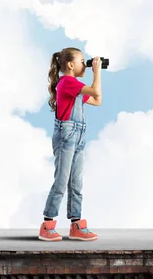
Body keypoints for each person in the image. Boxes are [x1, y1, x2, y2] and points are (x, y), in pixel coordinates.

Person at [38, 47, 102, 241]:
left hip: (78, 136)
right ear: (70, 65)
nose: (86, 64)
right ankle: (47, 225)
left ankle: (76, 225)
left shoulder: (76, 87)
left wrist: (96, 75)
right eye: (83, 61)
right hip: (67, 136)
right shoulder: (67, 82)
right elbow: (95, 90)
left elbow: (97, 100)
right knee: (61, 181)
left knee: (76, 183)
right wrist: (96, 72)